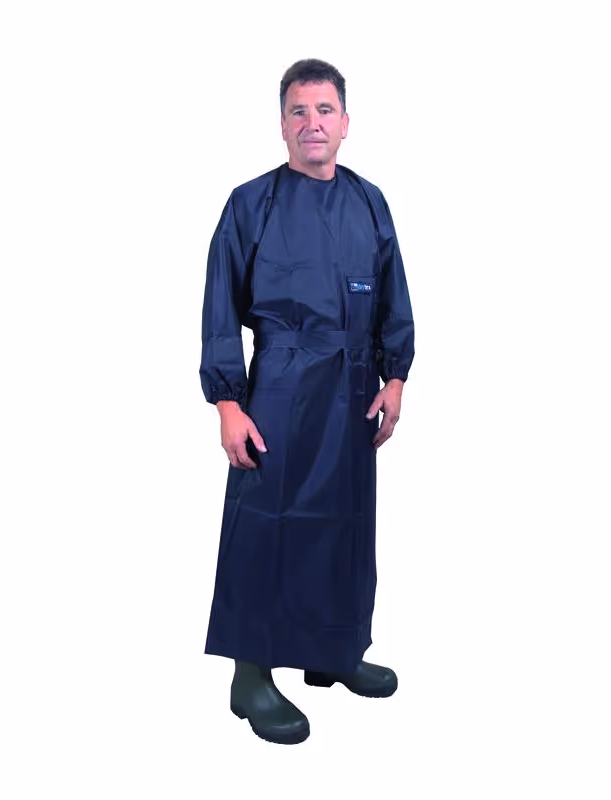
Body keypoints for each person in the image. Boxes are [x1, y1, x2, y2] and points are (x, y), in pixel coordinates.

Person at [198, 58, 415, 745]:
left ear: (345, 123)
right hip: (280, 390)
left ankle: (333, 651)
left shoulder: (370, 202)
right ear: (283, 124)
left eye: (324, 110)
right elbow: (219, 307)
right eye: (299, 111)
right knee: (266, 524)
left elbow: (393, 295)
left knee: (344, 525)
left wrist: (395, 376)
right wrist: (228, 402)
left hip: (352, 390)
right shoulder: (250, 204)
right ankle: (250, 674)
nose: (312, 123)